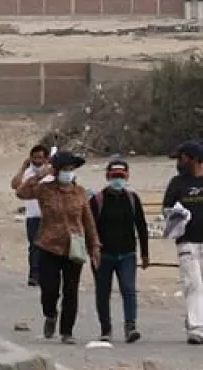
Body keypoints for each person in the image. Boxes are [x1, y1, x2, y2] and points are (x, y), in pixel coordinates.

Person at [15, 151, 100, 344]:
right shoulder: (45, 189)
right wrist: (39, 175)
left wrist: (94, 245)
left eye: (70, 170)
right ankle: (50, 314)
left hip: (74, 247)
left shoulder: (79, 193)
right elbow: (21, 192)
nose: (67, 173)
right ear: (56, 171)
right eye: (64, 170)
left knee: (71, 290)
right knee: (49, 289)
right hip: (48, 245)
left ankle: (67, 331)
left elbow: (88, 221)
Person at [90, 159, 149, 344]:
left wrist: (145, 253)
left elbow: (141, 226)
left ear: (127, 177)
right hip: (103, 255)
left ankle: (130, 326)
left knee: (129, 289)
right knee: (102, 292)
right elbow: (90, 228)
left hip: (127, 254)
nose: (117, 180)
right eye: (114, 177)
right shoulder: (97, 200)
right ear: (107, 177)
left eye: (121, 177)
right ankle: (105, 329)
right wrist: (93, 250)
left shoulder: (132, 199)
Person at [163, 140, 203, 344]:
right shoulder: (177, 183)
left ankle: (196, 318)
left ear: (194, 159)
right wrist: (177, 215)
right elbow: (167, 210)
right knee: (193, 283)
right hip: (186, 241)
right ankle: (197, 328)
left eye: (182, 158)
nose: (179, 162)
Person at [11, 145, 51, 287]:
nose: (37, 160)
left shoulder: (51, 173)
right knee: (34, 246)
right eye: (34, 157)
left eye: (40, 157)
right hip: (32, 216)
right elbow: (15, 185)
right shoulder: (27, 173)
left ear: (46, 158)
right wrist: (23, 167)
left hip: (49, 216)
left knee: (48, 247)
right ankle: (34, 275)